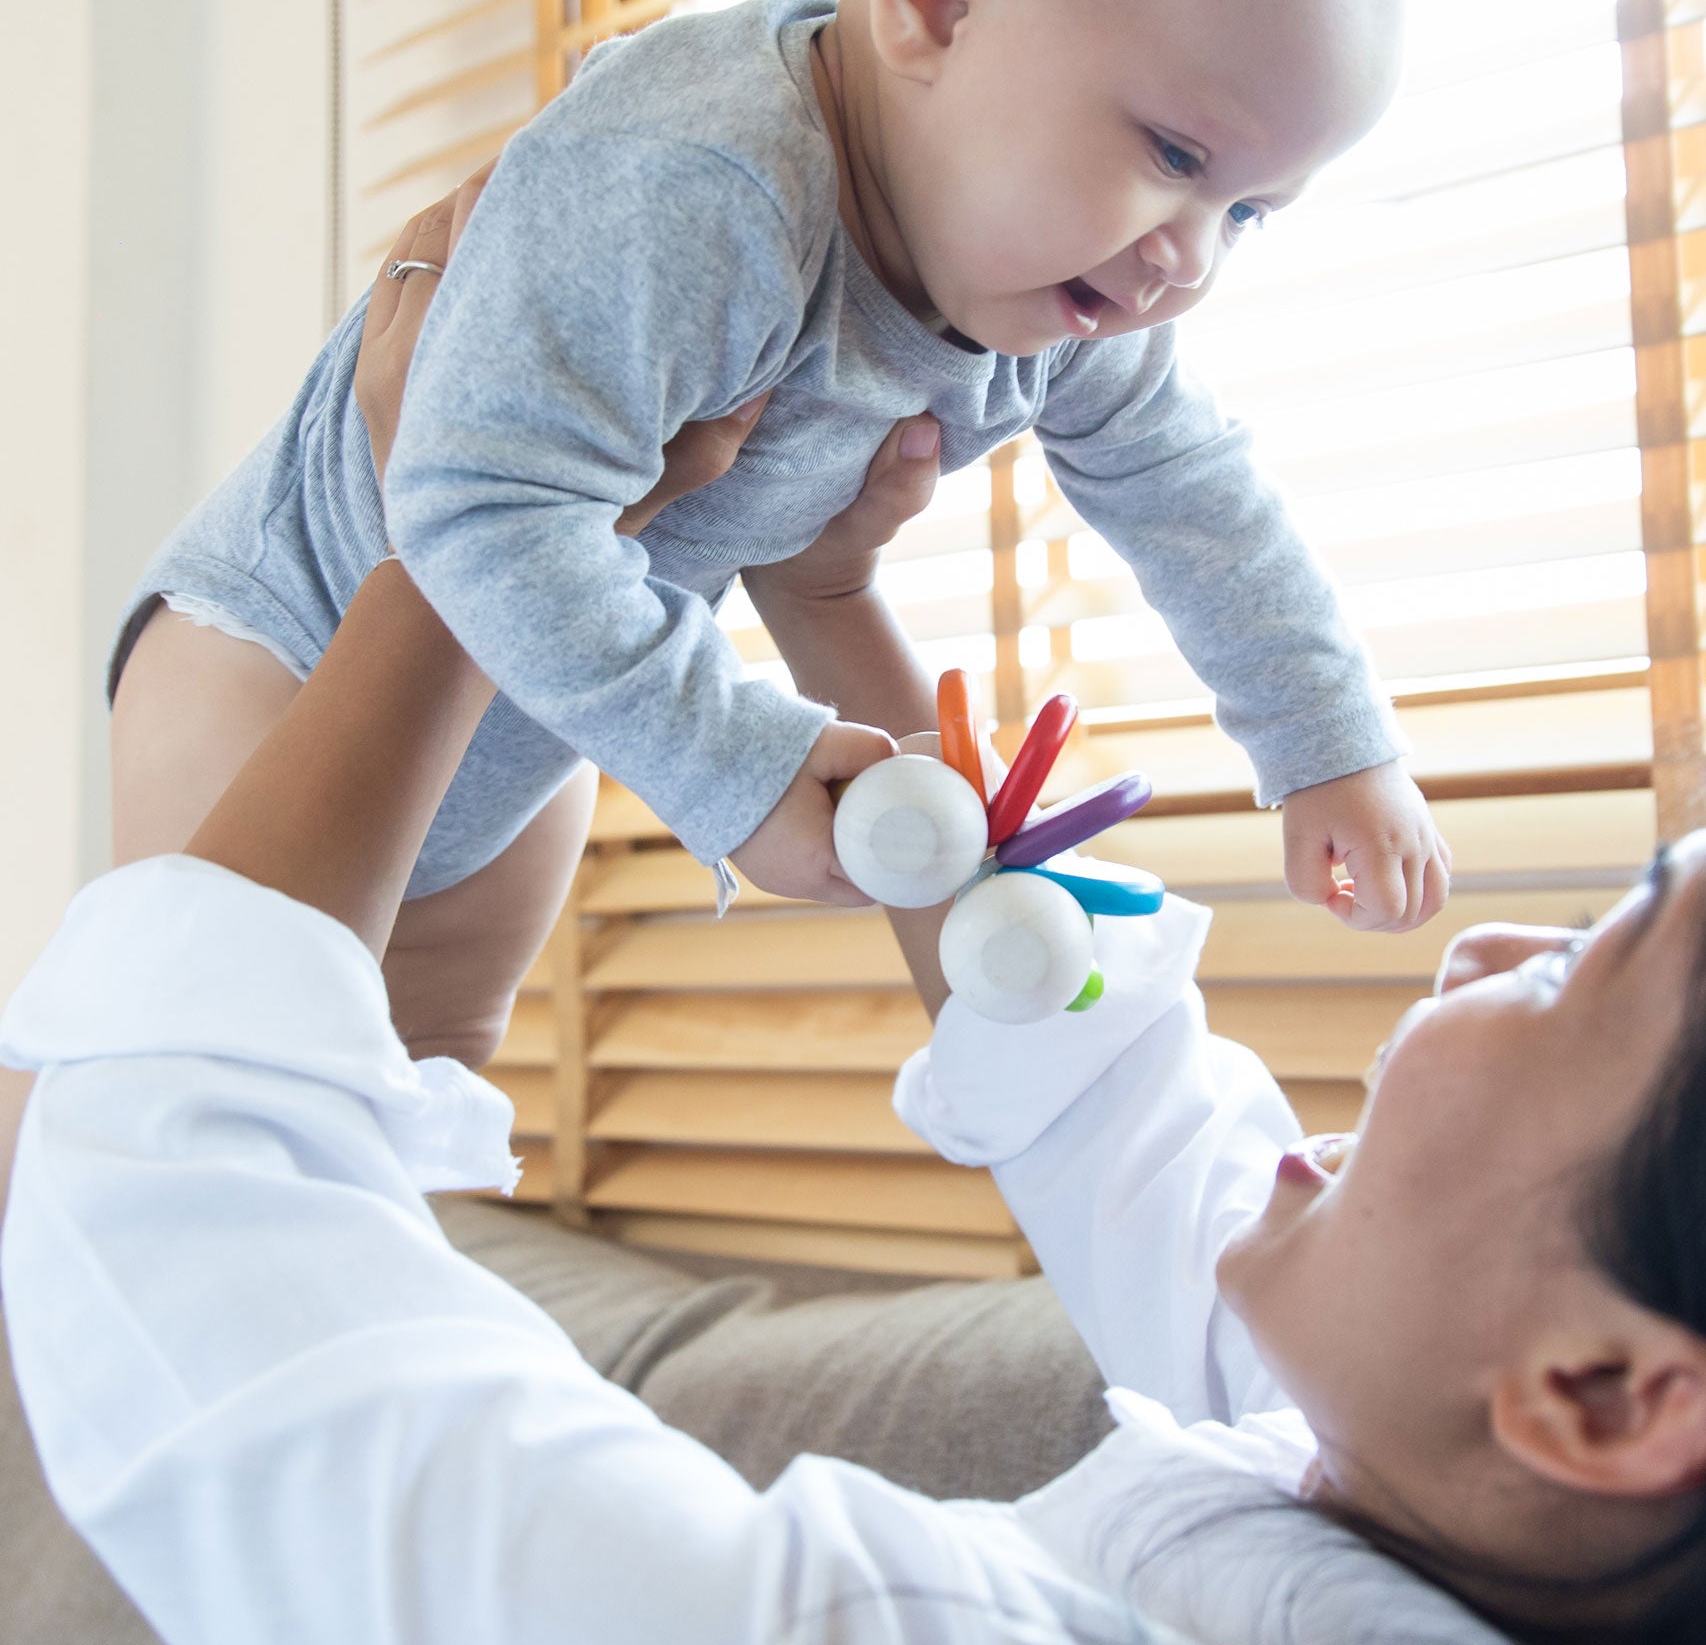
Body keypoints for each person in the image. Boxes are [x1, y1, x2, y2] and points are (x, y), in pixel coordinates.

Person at [5, 277, 1704, 1644]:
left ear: (1606, 1396)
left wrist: (467, 529)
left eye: (1575, 972)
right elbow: (1110, 1089)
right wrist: (827, 597)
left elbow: (202, 1266)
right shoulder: (1394, 1454)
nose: (1489, 939)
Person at [107, 0, 1449, 1074]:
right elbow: (477, 501)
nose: (1191, 262)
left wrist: (1327, 742)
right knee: (198, 1066)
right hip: (277, 640)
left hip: (519, 727)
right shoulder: (702, 185)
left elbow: (1197, 497)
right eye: (1175, 156)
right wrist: (735, 763)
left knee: (429, 1090)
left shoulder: (1073, 302)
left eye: (1244, 213)